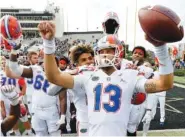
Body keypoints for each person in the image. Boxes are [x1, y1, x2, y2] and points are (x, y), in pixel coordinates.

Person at [38, 21, 173, 136]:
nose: (104, 55)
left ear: (119, 52)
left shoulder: (130, 75)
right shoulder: (87, 75)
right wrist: (48, 43)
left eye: (109, 51)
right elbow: (53, 77)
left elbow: (164, 84)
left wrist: (160, 49)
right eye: (101, 51)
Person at [48, 44, 94, 136]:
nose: (88, 62)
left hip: (102, 120)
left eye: (90, 58)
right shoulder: (75, 76)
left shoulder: (100, 72)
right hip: (85, 121)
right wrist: (69, 74)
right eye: (84, 60)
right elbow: (51, 91)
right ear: (77, 64)